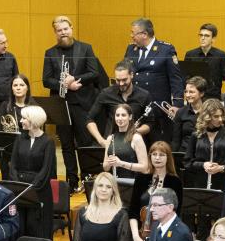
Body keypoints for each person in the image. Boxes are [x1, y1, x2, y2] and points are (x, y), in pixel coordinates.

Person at [43, 15, 107, 191]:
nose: (63, 32)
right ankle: (72, 181)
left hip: (82, 103)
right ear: (55, 33)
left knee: (84, 142)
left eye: (65, 29)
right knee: (66, 144)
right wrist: (63, 84)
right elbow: (46, 80)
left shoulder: (85, 48)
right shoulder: (50, 53)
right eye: (59, 30)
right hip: (61, 105)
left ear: (71, 28)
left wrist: (75, 79)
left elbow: (94, 73)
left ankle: (86, 178)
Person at [123, 17, 182, 144]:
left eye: (133, 33)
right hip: (136, 106)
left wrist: (177, 104)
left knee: (158, 146)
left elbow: (175, 78)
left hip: (157, 107)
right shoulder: (130, 49)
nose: (131, 36)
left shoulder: (166, 49)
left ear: (144, 34)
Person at [9, 105, 56, 240]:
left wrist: (31, 188)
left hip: (38, 191)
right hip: (20, 190)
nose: (21, 121)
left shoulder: (48, 142)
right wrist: (18, 185)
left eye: (24, 118)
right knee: (20, 227)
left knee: (35, 227)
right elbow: (13, 165)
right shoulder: (19, 139)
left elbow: (46, 170)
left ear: (34, 121)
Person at [129, 140, 182, 241]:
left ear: (168, 158)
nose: (157, 158)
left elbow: (177, 213)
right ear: (150, 156)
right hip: (140, 234)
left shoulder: (175, 182)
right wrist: (135, 236)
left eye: (162, 155)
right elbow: (133, 211)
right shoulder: (141, 178)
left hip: (166, 236)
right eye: (154, 154)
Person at [87, 61, 152, 145]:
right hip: (112, 142)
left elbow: (150, 123)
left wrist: (135, 132)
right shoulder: (106, 93)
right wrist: (101, 140)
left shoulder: (144, 95)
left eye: (124, 80)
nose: (121, 84)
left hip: (134, 142)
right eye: (118, 80)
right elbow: (89, 119)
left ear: (131, 75)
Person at [184, 100, 225, 193]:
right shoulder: (196, 135)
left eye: (221, 116)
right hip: (199, 182)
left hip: (222, 183)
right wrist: (203, 164)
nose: (220, 119)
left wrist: (221, 168)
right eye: (216, 116)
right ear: (206, 117)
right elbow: (187, 162)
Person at [103, 104, 151, 198]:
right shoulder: (110, 138)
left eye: (123, 115)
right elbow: (105, 168)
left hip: (132, 185)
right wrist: (110, 162)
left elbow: (145, 167)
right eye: (117, 115)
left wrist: (120, 163)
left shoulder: (136, 138)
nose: (120, 118)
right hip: (114, 185)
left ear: (130, 117)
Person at [184, 22, 225, 100]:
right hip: (194, 98)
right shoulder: (190, 54)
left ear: (213, 39)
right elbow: (185, 78)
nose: (203, 38)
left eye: (206, 36)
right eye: (201, 35)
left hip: (213, 99)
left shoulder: (221, 56)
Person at [170, 77, 207, 154]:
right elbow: (176, 140)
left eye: (191, 92)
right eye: (186, 92)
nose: (187, 95)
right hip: (185, 153)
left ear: (202, 93)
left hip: (204, 152)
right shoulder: (181, 112)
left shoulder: (209, 111)